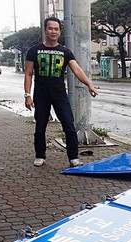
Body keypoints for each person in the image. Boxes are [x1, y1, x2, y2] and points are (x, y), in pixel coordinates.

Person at [24, 16, 98, 168]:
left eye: (56, 29)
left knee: (69, 125)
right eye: (50, 28)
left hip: (59, 94)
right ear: (45, 30)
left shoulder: (65, 51)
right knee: (40, 127)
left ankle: (73, 157)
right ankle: (40, 155)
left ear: (60, 31)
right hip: (41, 94)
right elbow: (28, 74)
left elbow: (77, 69)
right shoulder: (34, 51)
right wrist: (27, 95)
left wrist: (89, 84)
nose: (53, 31)